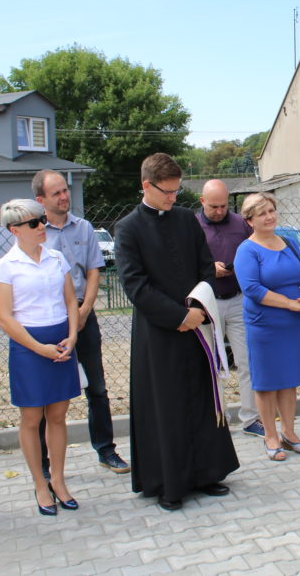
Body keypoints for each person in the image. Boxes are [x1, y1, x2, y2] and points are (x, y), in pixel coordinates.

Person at [115, 153, 239, 511]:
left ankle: (207, 473)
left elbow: (206, 267)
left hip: (196, 324)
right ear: (146, 186)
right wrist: (178, 316)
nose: (173, 197)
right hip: (158, 333)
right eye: (166, 191)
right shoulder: (128, 228)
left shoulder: (186, 219)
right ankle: (169, 483)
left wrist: (198, 308)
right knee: (166, 406)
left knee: (200, 398)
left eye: (175, 191)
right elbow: (135, 286)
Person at [32, 169, 129, 475]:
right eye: (56, 193)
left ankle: (106, 450)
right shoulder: (35, 231)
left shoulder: (84, 228)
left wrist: (85, 308)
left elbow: (93, 270)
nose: (64, 197)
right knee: (48, 393)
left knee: (97, 387)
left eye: (65, 190)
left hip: (83, 314)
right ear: (41, 200)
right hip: (51, 318)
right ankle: (44, 464)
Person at [0, 199, 81, 516]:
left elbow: (70, 301)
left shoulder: (56, 258)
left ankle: (58, 480)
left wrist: (72, 335)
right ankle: (40, 484)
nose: (42, 226)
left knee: (58, 415)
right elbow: (5, 318)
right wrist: (38, 348)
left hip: (61, 340)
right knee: (31, 418)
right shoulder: (5, 266)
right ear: (14, 230)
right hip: (29, 345)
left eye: (41, 220)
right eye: (33, 223)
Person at [233, 192, 300, 460]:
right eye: (262, 213)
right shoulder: (247, 250)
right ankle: (270, 435)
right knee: (267, 382)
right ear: (250, 220)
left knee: (289, 379)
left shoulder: (289, 243)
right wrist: (291, 304)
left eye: (271, 210)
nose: (269, 217)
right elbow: (253, 289)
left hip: (293, 323)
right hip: (265, 325)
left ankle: (289, 433)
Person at [196, 179, 262, 438]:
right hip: (207, 303)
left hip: (237, 299)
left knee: (247, 361)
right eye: (213, 206)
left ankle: (251, 418)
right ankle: (217, 419)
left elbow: (254, 251)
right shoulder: (192, 225)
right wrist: (208, 269)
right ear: (202, 201)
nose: (219, 211)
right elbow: (185, 262)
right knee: (210, 365)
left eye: (223, 206)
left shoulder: (240, 224)